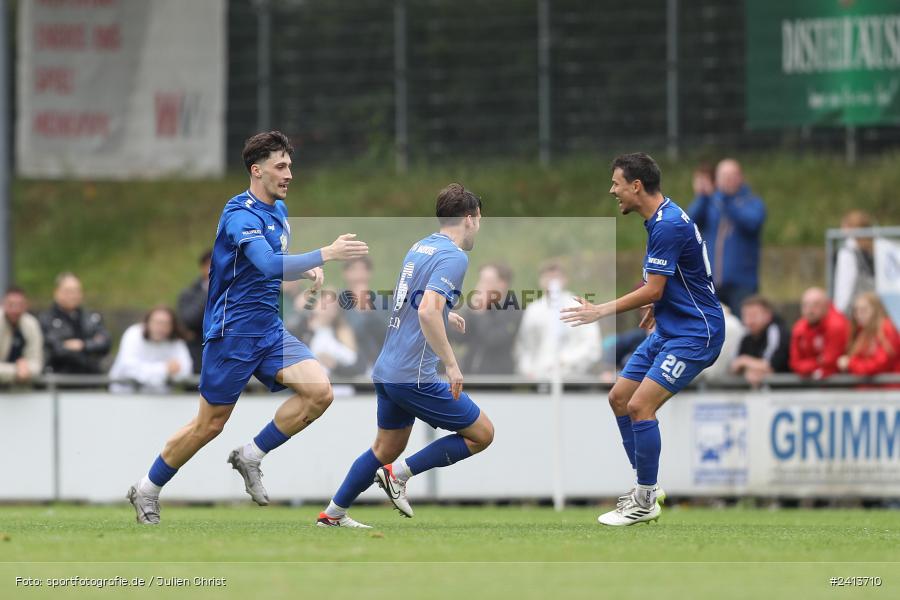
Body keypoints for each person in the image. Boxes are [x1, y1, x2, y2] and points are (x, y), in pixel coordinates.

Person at [127, 131, 369, 524]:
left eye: (290, 165)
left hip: (268, 330)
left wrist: (303, 267)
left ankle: (251, 455)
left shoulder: (279, 211)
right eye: (281, 166)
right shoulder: (240, 215)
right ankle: (147, 489)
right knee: (208, 425)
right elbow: (269, 264)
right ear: (257, 171)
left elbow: (272, 264)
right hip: (232, 333)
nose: (289, 173)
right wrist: (326, 253)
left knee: (319, 392)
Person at [317, 183, 494, 528]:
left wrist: (445, 312)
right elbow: (427, 310)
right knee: (482, 434)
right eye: (479, 219)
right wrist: (452, 364)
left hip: (388, 368)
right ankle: (397, 476)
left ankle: (333, 515)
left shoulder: (421, 246)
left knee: (385, 447)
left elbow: (415, 301)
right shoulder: (455, 256)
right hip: (414, 373)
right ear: (470, 219)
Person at [561, 153, 724, 526]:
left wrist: (600, 310)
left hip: (696, 333)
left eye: (616, 183)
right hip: (670, 327)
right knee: (619, 397)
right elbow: (672, 282)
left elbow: (653, 288)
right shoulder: (661, 220)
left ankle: (645, 499)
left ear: (636, 186)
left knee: (640, 407)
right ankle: (646, 488)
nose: (612, 190)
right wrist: (660, 302)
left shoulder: (666, 226)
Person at [687, 158, 766, 313]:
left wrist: (726, 202)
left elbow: (752, 222)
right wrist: (702, 197)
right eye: (723, 177)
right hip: (711, 283)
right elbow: (690, 223)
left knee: (743, 327)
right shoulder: (711, 203)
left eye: (732, 176)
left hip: (743, 284)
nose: (727, 181)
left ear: (741, 177)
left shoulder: (752, 202)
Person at [514, 261, 602, 379]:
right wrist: (528, 369)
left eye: (556, 277)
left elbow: (591, 346)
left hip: (574, 379)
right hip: (539, 378)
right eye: (547, 277)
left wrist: (565, 361)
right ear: (540, 281)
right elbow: (524, 345)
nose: (552, 281)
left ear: (565, 279)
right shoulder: (533, 310)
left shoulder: (578, 306)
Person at [451, 262, 520, 375]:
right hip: (470, 374)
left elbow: (493, 340)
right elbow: (459, 338)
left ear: (502, 284)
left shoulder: (513, 309)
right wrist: (449, 315)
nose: (480, 285)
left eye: (486, 281)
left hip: (498, 379)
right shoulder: (478, 308)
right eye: (480, 280)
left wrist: (480, 312)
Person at [108, 306, 193, 393]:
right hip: (124, 396)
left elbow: (185, 371)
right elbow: (129, 369)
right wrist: (165, 369)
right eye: (157, 322)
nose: (161, 328)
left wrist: (147, 371)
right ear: (147, 323)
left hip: (160, 400)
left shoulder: (176, 342)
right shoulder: (133, 334)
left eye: (166, 324)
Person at [39, 273, 111, 375]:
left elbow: (105, 342)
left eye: (77, 291)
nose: (73, 295)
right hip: (59, 380)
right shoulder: (46, 319)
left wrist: (83, 345)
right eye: (68, 291)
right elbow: (54, 348)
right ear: (56, 292)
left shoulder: (91, 318)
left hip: (91, 380)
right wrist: (90, 348)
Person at [789, 287, 850, 380]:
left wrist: (809, 366)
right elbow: (795, 363)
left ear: (826, 305)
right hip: (811, 382)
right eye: (806, 305)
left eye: (816, 305)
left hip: (838, 384)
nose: (810, 310)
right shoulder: (799, 328)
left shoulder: (836, 325)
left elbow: (830, 362)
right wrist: (817, 363)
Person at [338, 257, 385, 375]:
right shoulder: (337, 301)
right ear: (345, 273)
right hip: (348, 361)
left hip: (376, 361)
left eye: (363, 269)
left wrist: (368, 310)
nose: (359, 274)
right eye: (354, 269)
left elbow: (386, 335)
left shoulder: (380, 302)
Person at [730, 295, 790, 388]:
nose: (749, 320)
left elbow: (770, 365)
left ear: (768, 316)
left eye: (754, 315)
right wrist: (748, 370)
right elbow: (734, 366)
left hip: (785, 391)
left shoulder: (775, 332)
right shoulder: (745, 335)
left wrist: (745, 361)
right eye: (746, 315)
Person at [837, 292, 900, 377]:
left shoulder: (887, 329)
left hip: (886, 387)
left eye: (864, 310)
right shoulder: (860, 331)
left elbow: (880, 364)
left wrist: (850, 363)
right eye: (856, 311)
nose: (859, 315)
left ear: (876, 310)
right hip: (869, 387)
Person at [833, 211, 875, 316]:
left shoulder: (848, 251)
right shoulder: (875, 248)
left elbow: (845, 284)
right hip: (875, 306)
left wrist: (839, 310)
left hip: (854, 310)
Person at [177, 249, 212, 374]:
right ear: (202, 268)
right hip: (198, 354)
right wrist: (209, 293)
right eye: (210, 265)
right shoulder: (189, 294)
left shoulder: (236, 292)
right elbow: (188, 320)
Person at [0, 287, 44, 385]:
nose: (15, 309)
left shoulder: (32, 324)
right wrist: (17, 370)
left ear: (26, 306)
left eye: (19, 305)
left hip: (22, 391)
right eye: (11, 304)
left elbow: (37, 363)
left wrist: (26, 369)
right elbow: (25, 371)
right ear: (3, 304)